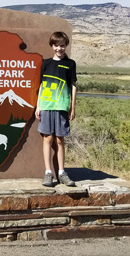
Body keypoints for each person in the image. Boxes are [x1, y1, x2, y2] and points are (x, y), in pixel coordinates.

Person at [34, 31, 77, 187]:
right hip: (46, 105)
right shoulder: (46, 63)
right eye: (57, 45)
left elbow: (73, 86)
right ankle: (48, 172)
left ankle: (62, 172)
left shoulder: (70, 64)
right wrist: (38, 106)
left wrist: (72, 107)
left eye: (62, 45)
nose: (59, 48)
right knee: (48, 138)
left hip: (62, 106)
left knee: (60, 139)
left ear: (66, 46)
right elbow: (41, 86)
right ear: (52, 46)